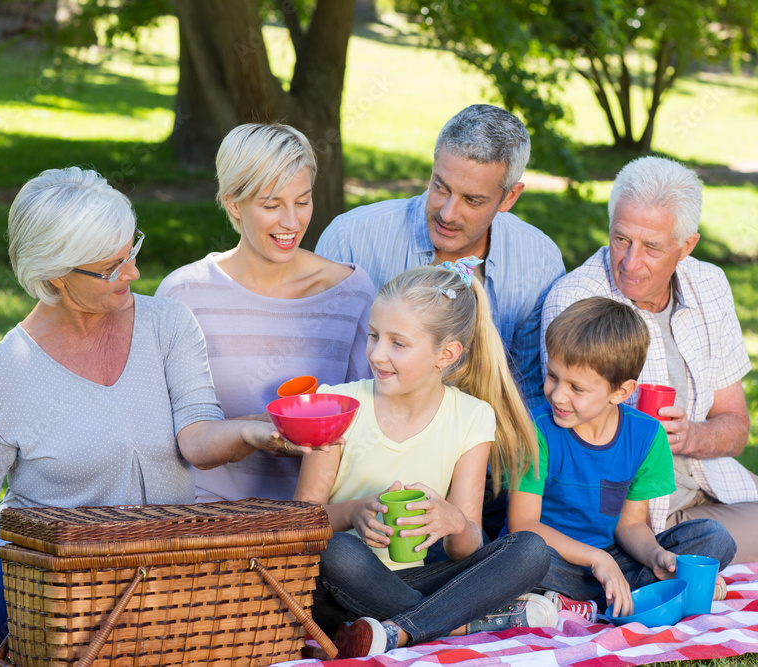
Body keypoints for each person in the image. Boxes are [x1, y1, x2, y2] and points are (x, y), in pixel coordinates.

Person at [0, 167, 286, 664]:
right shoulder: (3, 373)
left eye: (131, 251)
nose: (133, 274)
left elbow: (198, 435)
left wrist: (251, 431)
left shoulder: (168, 325)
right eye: (111, 267)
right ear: (54, 274)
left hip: (157, 558)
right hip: (40, 566)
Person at [541, 156, 758, 573]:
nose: (630, 262)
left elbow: (735, 426)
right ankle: (676, 554)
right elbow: (568, 440)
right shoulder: (575, 300)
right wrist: (643, 442)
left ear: (686, 246)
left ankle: (704, 548)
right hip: (640, 513)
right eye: (621, 239)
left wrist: (689, 436)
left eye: (651, 247)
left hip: (708, 476)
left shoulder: (708, 284)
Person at [316, 104, 566, 539]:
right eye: (440, 187)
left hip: (483, 478)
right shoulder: (351, 238)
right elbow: (323, 370)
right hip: (360, 473)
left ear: (509, 198)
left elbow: (527, 394)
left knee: (524, 548)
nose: (448, 213)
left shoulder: (538, 260)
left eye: (473, 200)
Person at [294, 261, 551, 659]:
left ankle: (396, 630)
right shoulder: (337, 404)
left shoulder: (472, 416)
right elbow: (299, 524)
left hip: (420, 577)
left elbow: (465, 549)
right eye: (374, 336)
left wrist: (454, 522)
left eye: (398, 343)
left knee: (531, 549)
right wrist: (354, 512)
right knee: (336, 550)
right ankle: (459, 622)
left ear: (445, 354)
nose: (377, 354)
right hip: (338, 585)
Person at [156, 123, 375, 502]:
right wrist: (263, 428)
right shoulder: (184, 294)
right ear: (233, 204)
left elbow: (374, 416)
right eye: (272, 205)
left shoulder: (350, 293)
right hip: (208, 513)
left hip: (322, 515)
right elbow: (168, 435)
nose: (291, 222)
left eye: (302, 202)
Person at [510, 297, 736, 618]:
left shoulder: (646, 436)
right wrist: (596, 560)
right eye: (552, 376)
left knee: (712, 537)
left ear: (621, 391)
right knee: (521, 556)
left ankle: (586, 602)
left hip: (613, 560)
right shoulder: (535, 430)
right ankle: (627, 596)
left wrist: (656, 556)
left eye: (576, 388)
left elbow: (630, 524)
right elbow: (523, 525)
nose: (558, 395)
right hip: (551, 559)